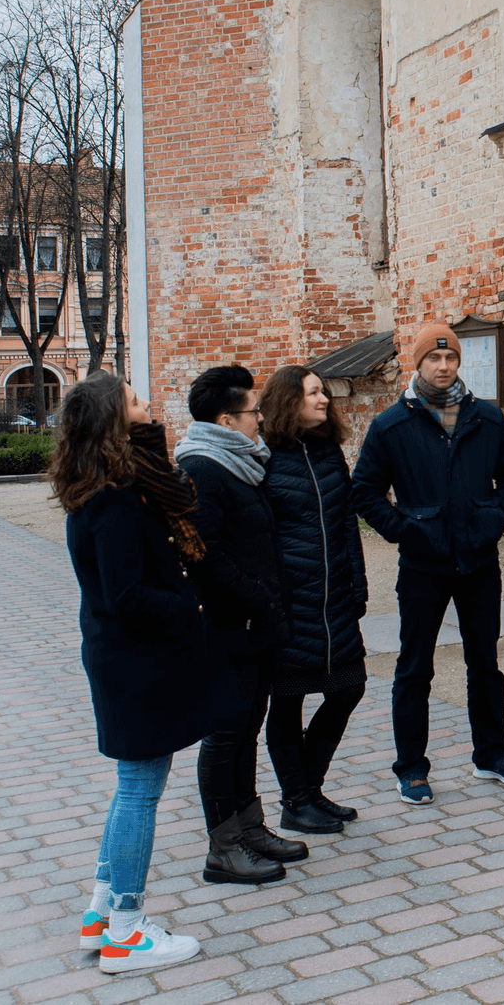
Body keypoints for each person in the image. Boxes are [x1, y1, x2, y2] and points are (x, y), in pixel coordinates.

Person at [53, 372, 220, 974]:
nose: (149, 405)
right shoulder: (115, 502)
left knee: (134, 784)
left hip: (124, 658)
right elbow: (126, 594)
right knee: (139, 789)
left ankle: (101, 916)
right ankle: (126, 933)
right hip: (136, 661)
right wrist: (191, 606)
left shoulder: (106, 487)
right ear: (113, 422)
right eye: (136, 402)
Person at [353, 321, 504, 802]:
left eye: (450, 358)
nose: (444, 366)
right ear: (418, 363)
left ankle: (492, 756)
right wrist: (406, 529)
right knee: (414, 667)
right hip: (422, 566)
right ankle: (411, 767)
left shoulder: (486, 419)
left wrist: (495, 517)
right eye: (434, 359)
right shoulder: (392, 425)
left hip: (478, 560)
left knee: (485, 663)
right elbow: (365, 492)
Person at [174, 365, 304, 884]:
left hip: (255, 624)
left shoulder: (240, 464)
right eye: (254, 412)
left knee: (246, 727)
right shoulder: (204, 469)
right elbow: (204, 556)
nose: (261, 420)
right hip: (231, 626)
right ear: (227, 420)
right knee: (226, 735)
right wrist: (258, 600)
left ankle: (250, 826)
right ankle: (222, 847)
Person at [258, 364, 370, 833]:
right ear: (288, 401)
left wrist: (358, 584)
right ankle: (295, 799)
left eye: (323, 391)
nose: (323, 400)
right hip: (290, 603)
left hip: (334, 598)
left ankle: (309, 788)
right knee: (287, 702)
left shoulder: (327, 451)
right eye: (312, 393)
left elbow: (346, 523)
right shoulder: (263, 456)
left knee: (349, 686)